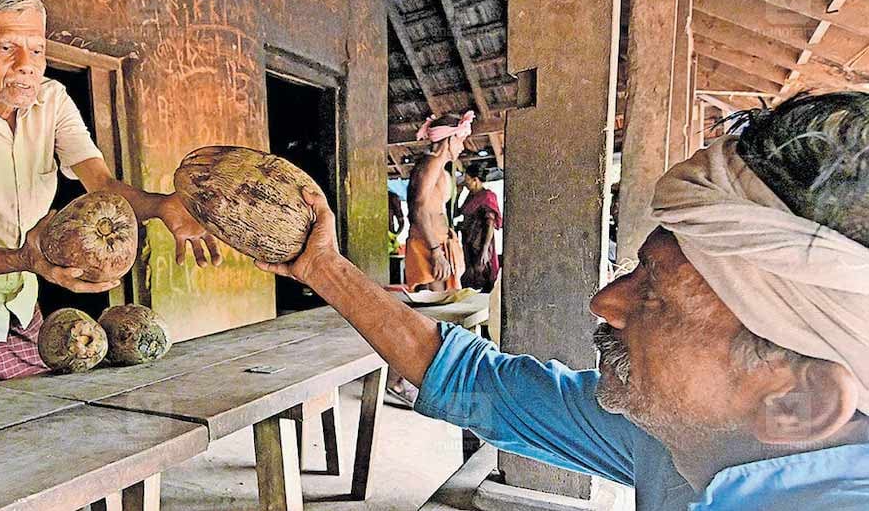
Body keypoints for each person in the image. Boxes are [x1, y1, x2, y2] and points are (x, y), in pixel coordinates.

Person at [257, 92, 869, 510]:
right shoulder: (683, 436)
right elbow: (482, 384)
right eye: (636, 272)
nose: (605, 302)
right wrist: (322, 268)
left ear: (798, 401)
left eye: (654, 296)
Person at [0, 0, 221, 392]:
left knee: (32, 422)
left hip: (18, 302)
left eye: (39, 49)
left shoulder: (53, 101)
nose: (28, 64)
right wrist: (30, 261)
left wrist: (161, 206)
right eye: (8, 47)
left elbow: (101, 184)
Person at [404, 111, 470, 292]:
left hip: (438, 244)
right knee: (436, 311)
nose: (462, 147)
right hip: (428, 246)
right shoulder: (431, 163)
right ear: (449, 139)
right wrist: (435, 252)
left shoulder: (439, 168)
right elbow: (418, 209)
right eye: (460, 140)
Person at [459, 163, 502, 292]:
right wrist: (457, 195)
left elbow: (490, 225)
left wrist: (484, 251)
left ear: (475, 180)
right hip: (469, 243)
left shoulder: (487, 196)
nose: (465, 183)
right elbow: (457, 212)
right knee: (470, 279)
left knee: (482, 276)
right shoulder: (471, 196)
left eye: (467, 180)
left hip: (481, 245)